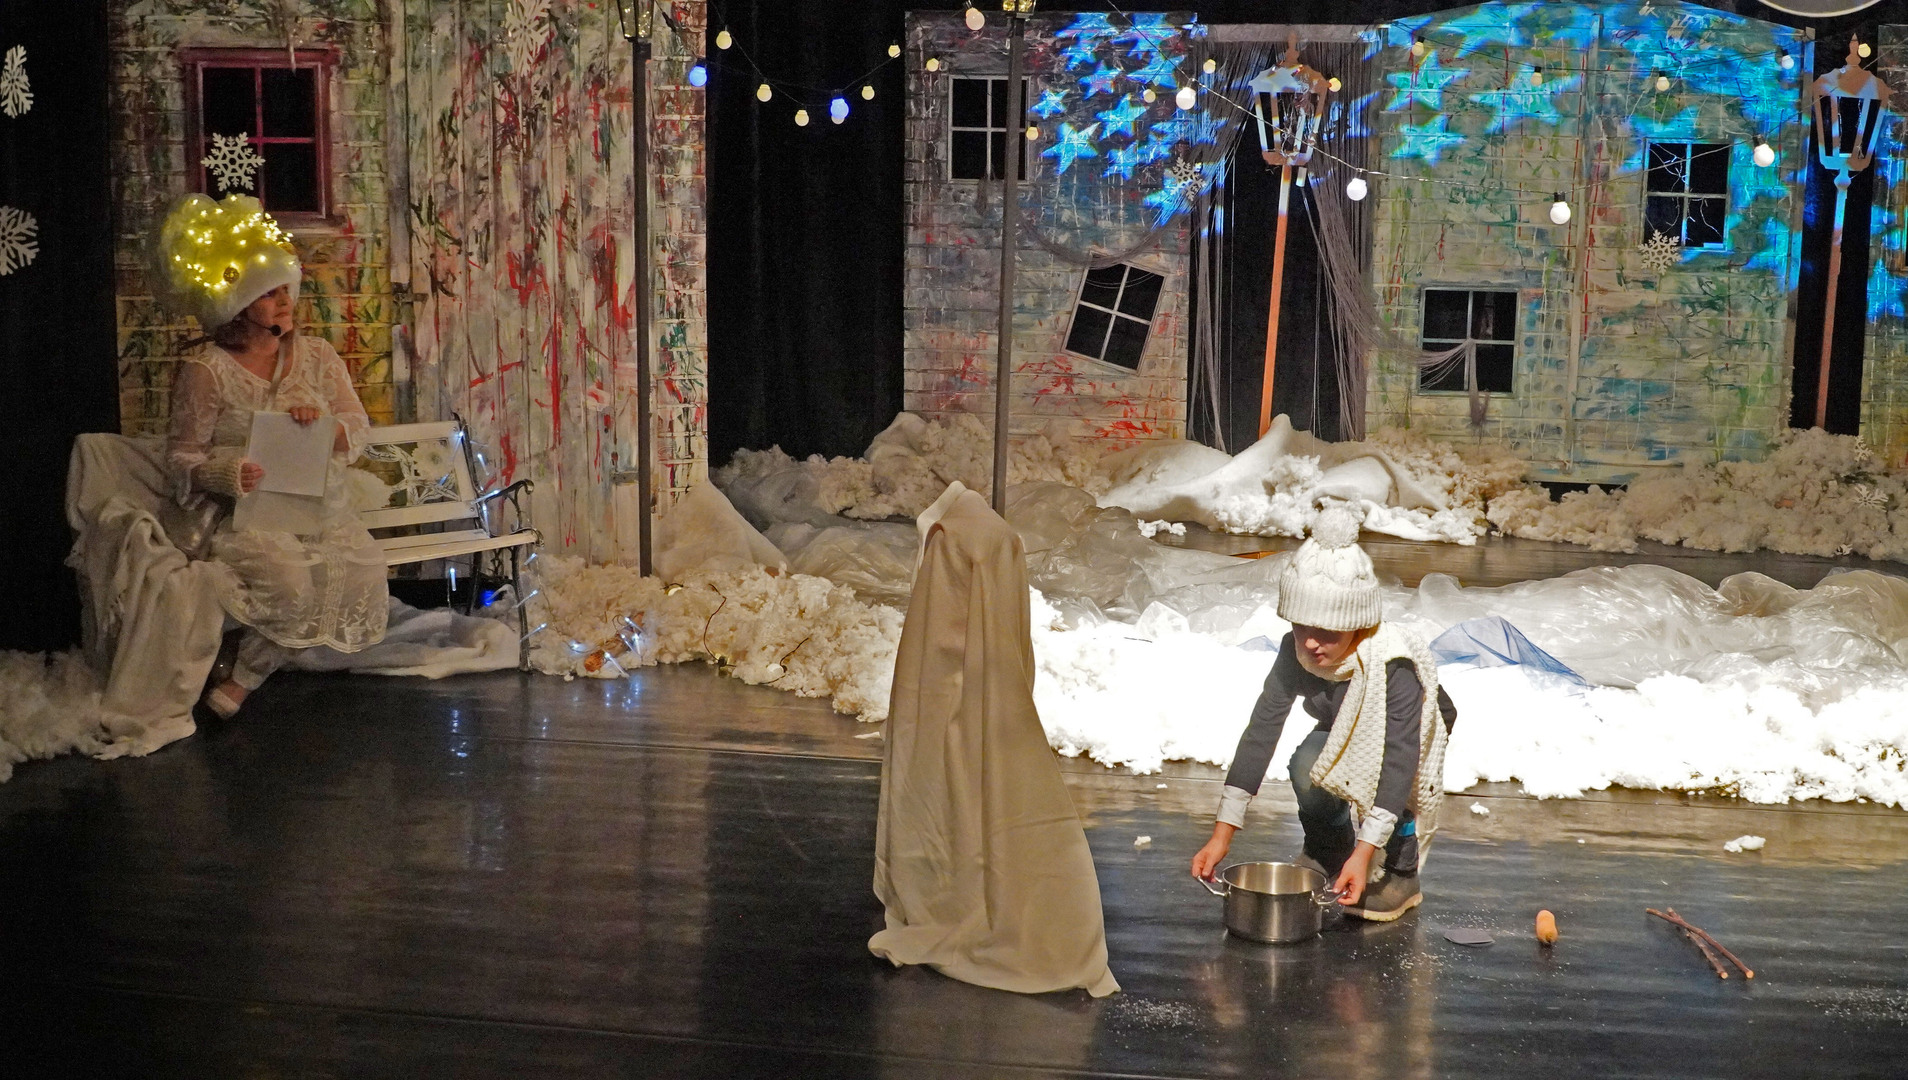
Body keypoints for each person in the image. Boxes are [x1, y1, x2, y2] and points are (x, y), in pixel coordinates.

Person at [152, 192, 388, 718]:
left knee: (362, 570)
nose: (283, 302)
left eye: (285, 289)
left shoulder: (317, 356)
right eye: (266, 294)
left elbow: (357, 427)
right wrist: (228, 472)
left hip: (315, 505)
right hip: (247, 513)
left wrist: (322, 427)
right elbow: (181, 457)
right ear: (235, 304)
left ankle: (245, 668)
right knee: (290, 583)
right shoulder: (207, 370)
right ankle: (244, 678)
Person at [1189, 506, 1454, 921]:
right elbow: (1262, 730)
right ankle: (1329, 849)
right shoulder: (1295, 653)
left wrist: (1365, 856)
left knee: (1395, 785)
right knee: (1307, 766)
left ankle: (1402, 873)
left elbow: (1399, 760)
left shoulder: (1393, 665)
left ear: (1356, 622)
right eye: (1301, 626)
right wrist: (1222, 834)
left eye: (1327, 631)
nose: (1311, 643)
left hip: (1412, 728)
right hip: (1343, 721)